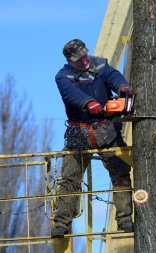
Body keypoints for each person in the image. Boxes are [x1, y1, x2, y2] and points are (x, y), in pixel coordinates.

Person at [51, 39, 134, 238]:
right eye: (79, 60)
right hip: (78, 134)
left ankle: (124, 220)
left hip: (106, 131)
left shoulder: (101, 66)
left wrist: (123, 88)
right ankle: (61, 223)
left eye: (85, 56)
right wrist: (88, 102)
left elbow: (115, 78)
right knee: (70, 178)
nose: (85, 61)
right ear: (70, 61)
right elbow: (71, 94)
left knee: (121, 173)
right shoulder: (63, 77)